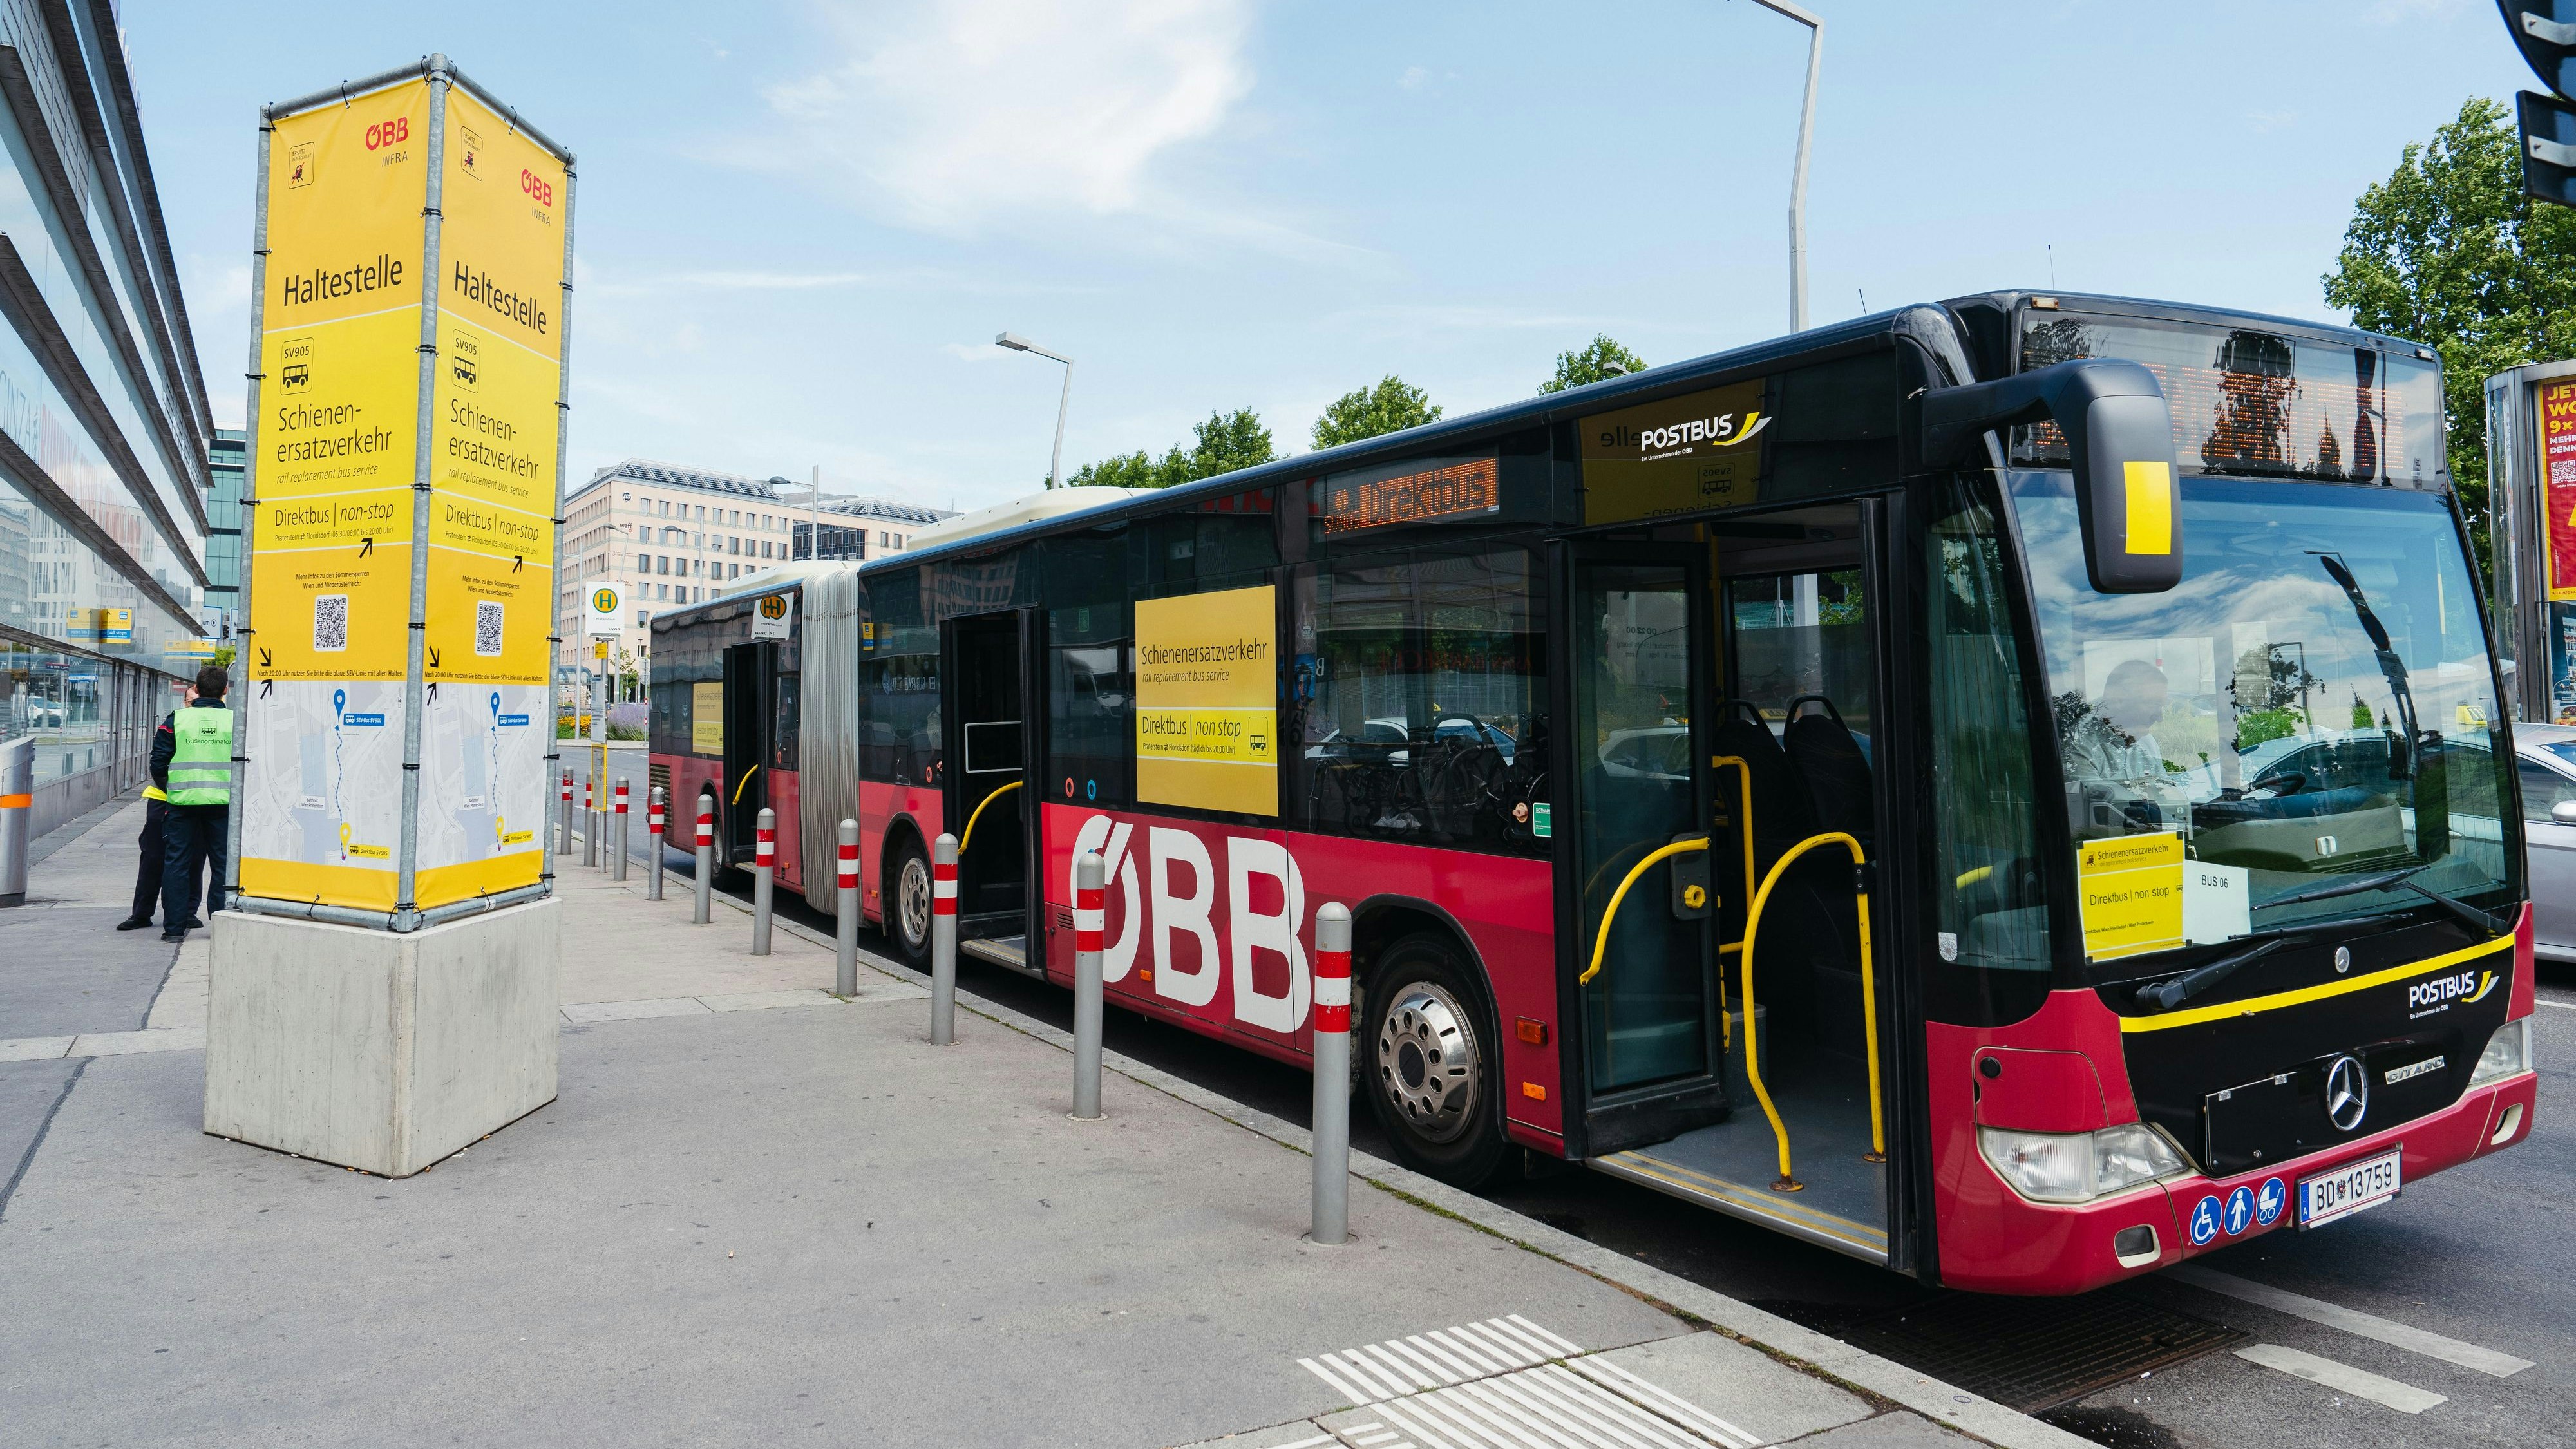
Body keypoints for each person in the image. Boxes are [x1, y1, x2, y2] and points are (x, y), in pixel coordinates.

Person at [154, 666, 232, 943]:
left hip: (182, 805)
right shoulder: (236, 721)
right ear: (225, 690)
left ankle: (173, 929)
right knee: (223, 866)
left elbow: (158, 762)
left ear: (196, 690)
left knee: (177, 863)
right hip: (224, 806)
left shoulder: (176, 720)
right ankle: (222, 927)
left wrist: (174, 791)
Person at [113, 702, 177, 930]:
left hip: (194, 804)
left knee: (191, 863)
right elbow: (158, 763)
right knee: (152, 858)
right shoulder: (175, 723)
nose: (193, 705)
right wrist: (172, 792)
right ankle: (141, 914)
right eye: (190, 701)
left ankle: (185, 914)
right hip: (162, 800)